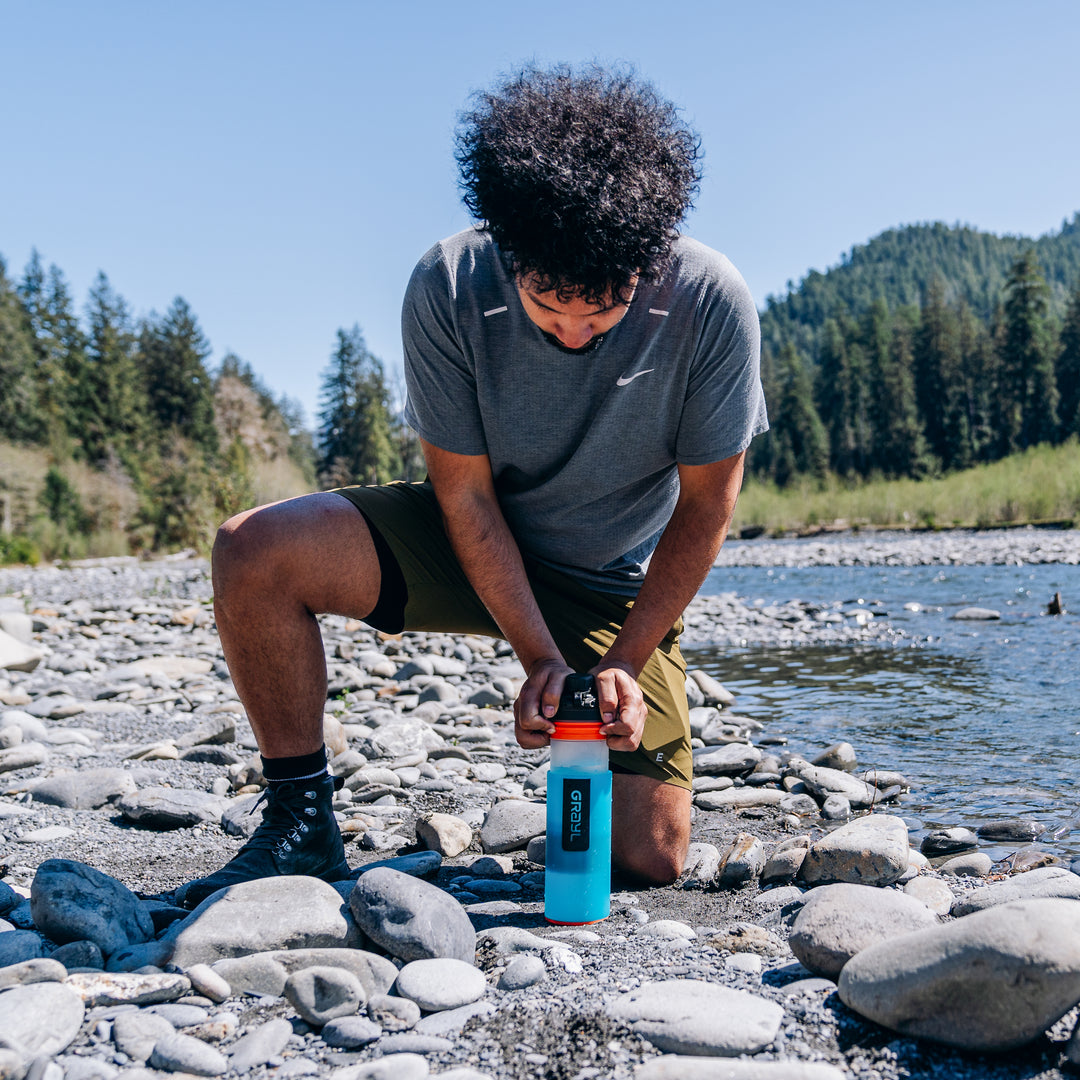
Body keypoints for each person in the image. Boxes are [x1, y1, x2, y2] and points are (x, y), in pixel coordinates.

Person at [175, 63, 767, 909]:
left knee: (649, 857)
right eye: (546, 304)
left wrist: (627, 661)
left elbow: (708, 506)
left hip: (608, 580)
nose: (571, 331)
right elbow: (465, 498)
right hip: (468, 539)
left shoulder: (711, 300)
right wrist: (536, 659)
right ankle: (299, 825)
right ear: (507, 248)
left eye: (599, 312)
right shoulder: (448, 284)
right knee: (253, 549)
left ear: (649, 259)